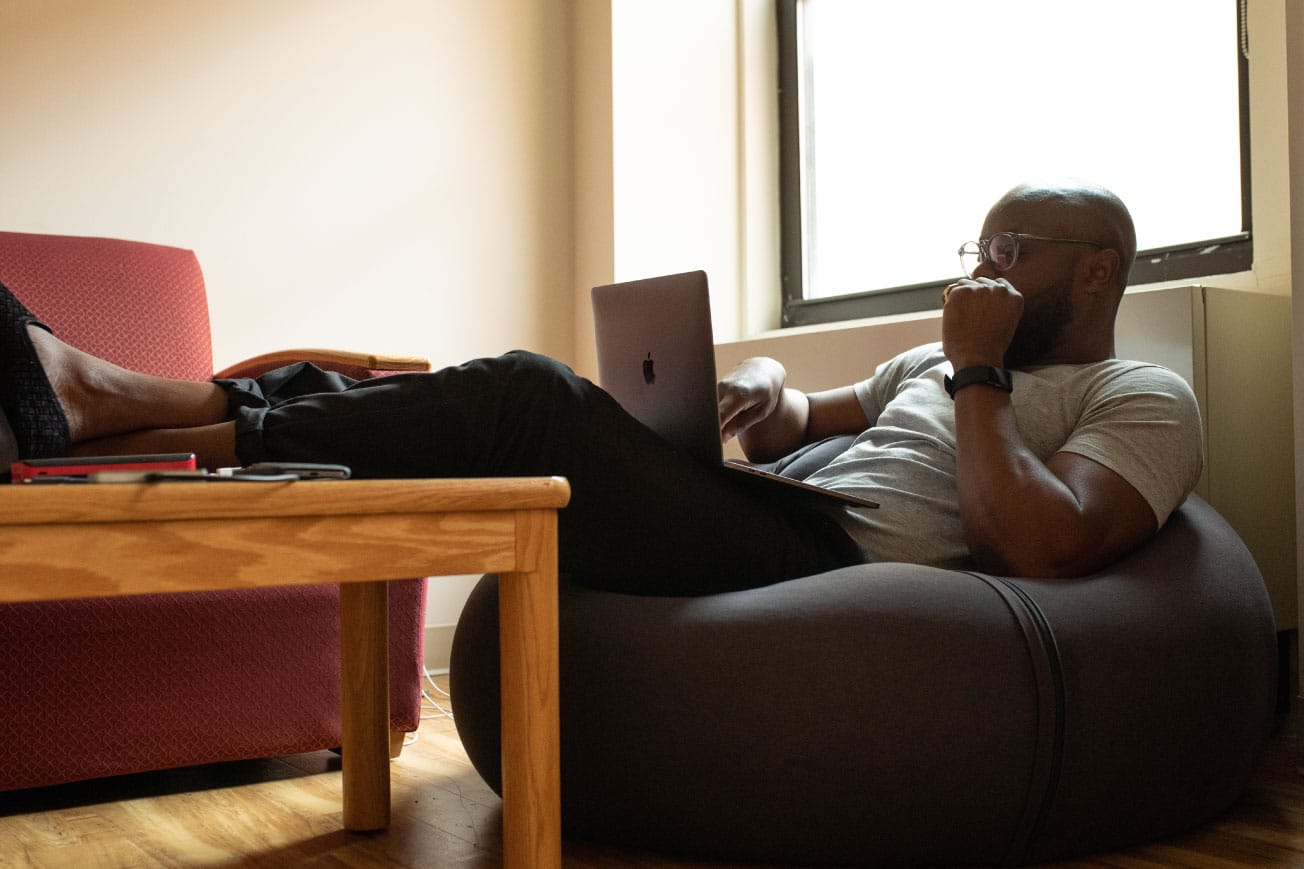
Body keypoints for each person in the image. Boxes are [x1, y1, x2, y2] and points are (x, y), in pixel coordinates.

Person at [0, 182, 1201, 593]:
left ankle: (117, 402)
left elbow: (1040, 545)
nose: (979, 269)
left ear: (1094, 270)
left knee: (525, 393)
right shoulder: (924, 363)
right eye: (976, 244)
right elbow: (804, 425)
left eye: (1011, 252)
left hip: (830, 559)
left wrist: (979, 368)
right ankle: (127, 406)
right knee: (455, 397)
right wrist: (767, 385)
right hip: (773, 503)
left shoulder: (1140, 396)